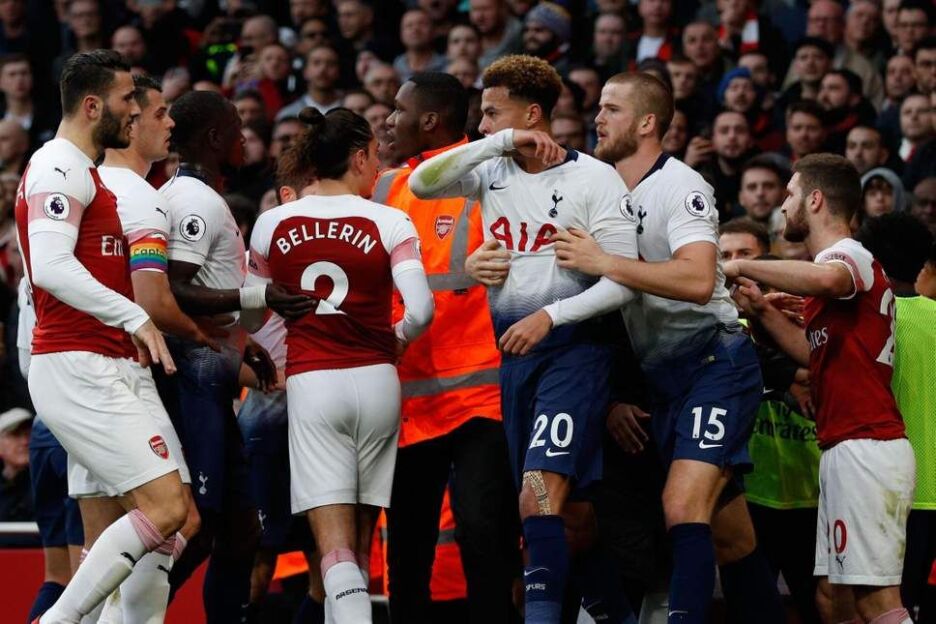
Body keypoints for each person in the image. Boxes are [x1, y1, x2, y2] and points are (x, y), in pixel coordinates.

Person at [410, 54, 639, 622]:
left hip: (576, 354)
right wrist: (500, 142)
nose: (482, 125)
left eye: (493, 113)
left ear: (532, 113)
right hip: (516, 362)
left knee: (537, 496)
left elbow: (624, 281)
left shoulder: (593, 178)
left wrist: (551, 317)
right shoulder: (492, 169)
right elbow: (421, 182)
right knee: (567, 518)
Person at [549, 71, 783, 624]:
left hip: (714, 362)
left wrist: (606, 261)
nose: (597, 117)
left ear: (647, 123)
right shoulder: (597, 189)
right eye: (598, 107)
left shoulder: (681, 185)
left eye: (611, 108)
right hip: (657, 378)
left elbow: (699, 280)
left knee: (681, 507)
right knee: (730, 538)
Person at [15, 49, 186, 623]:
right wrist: (134, 315)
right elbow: (50, 266)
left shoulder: (84, 173)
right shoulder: (57, 168)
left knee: (171, 522)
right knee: (165, 509)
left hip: (110, 364)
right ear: (93, 106)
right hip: (78, 365)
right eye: (125, 99)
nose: (134, 110)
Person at [244, 106, 434, 623]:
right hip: (378, 383)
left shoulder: (272, 223)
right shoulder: (390, 219)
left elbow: (251, 313)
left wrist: (278, 344)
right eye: (375, 154)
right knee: (360, 542)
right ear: (358, 158)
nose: (379, 166)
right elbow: (421, 310)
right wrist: (396, 339)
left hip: (314, 384)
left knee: (334, 551)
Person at [724, 154, 916, 624]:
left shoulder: (846, 254)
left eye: (789, 194)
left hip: (866, 445)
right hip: (843, 445)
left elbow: (829, 278)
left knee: (877, 602)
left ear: (814, 199)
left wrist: (743, 266)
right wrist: (761, 310)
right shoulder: (828, 281)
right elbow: (811, 356)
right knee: (834, 600)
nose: (783, 205)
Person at [158, 89, 314, 623]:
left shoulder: (200, 197)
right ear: (213, 137)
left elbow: (204, 287)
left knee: (242, 529)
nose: (245, 137)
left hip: (214, 375)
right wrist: (259, 297)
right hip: (192, 380)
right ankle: (123, 613)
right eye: (235, 127)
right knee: (200, 523)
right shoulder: (193, 202)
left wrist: (245, 344)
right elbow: (172, 290)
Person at [376, 72, 517, 622]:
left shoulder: (493, 181)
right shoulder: (385, 187)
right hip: (409, 398)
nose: (390, 120)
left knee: (484, 532)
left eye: (398, 109)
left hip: (481, 396)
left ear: (430, 120)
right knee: (407, 547)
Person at [90, 72, 215, 623]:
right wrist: (206, 338)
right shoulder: (142, 197)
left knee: (101, 540)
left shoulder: (87, 184)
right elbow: (154, 302)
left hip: (74, 372)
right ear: (131, 120)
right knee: (177, 516)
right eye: (161, 113)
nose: (172, 122)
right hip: (117, 375)